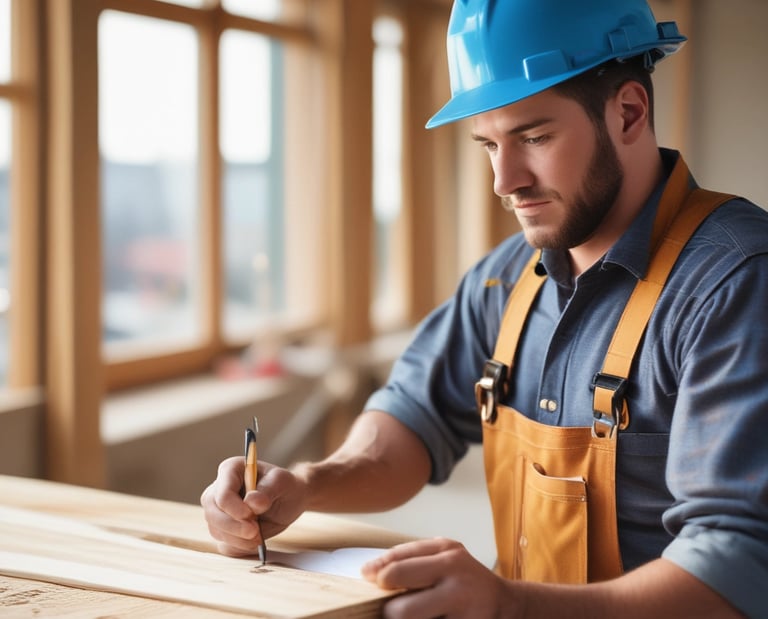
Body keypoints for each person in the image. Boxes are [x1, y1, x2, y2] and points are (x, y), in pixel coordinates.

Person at [201, 1, 768, 617]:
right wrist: (306, 486)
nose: (506, 180)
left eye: (534, 137)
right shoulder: (504, 281)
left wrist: (512, 606)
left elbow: (737, 568)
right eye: (488, 145)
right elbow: (411, 421)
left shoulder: (734, 284)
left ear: (629, 112)